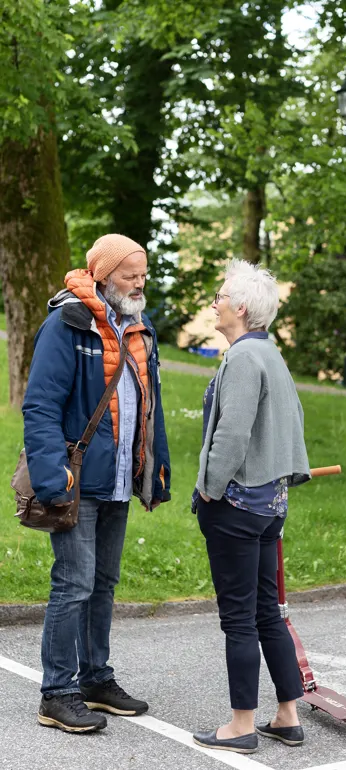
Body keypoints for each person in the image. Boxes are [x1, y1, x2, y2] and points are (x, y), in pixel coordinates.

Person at [22, 234, 172, 734]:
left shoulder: (140, 326)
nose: (139, 283)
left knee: (103, 584)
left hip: (118, 479)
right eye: (130, 275)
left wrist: (156, 470)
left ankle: (95, 680)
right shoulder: (67, 323)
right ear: (103, 275)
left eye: (144, 275)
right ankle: (57, 692)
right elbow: (40, 406)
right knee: (74, 582)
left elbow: (149, 407)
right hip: (76, 479)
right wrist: (51, 477)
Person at [192, 259, 310, 754]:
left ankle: (241, 726)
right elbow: (294, 421)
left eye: (220, 295)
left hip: (237, 507)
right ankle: (287, 715)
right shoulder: (271, 355)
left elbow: (232, 435)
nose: (214, 303)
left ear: (240, 308)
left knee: (239, 618)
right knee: (267, 613)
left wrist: (209, 490)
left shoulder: (242, 359)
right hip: (270, 505)